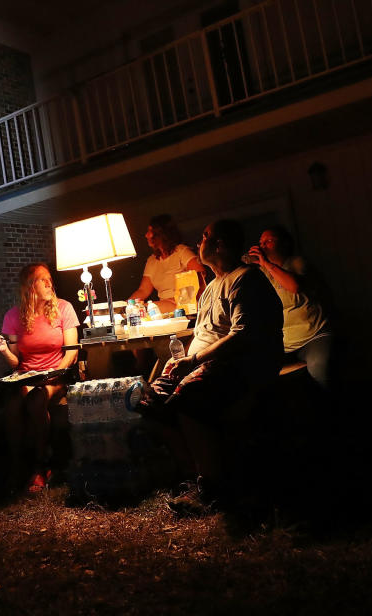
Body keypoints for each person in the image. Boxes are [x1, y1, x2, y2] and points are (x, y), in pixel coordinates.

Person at [138, 220, 283, 508]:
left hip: (240, 365)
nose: (199, 241)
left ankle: (213, 486)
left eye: (205, 237)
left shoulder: (246, 279)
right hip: (203, 363)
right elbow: (204, 334)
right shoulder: (211, 287)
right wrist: (179, 362)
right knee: (149, 403)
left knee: (188, 397)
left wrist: (194, 361)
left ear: (220, 245)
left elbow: (242, 335)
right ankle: (194, 474)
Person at [0, 263, 79, 493]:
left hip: (56, 375)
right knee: (12, 404)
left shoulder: (64, 308)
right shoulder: (13, 316)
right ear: (30, 286)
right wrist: (3, 349)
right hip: (27, 376)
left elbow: (71, 351)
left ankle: (41, 467)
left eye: (50, 279)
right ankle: (17, 466)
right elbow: (15, 362)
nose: (50, 283)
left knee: (37, 399)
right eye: (43, 280)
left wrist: (54, 373)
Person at [246, 226, 334, 389]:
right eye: (260, 243)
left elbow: (294, 286)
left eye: (269, 241)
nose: (262, 246)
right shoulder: (262, 273)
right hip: (285, 344)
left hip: (314, 335)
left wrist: (266, 263)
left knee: (319, 374)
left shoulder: (296, 262)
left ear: (285, 244)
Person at [129, 214, 208, 314]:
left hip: (182, 306)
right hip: (164, 306)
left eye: (150, 231)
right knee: (137, 311)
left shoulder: (181, 251)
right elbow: (143, 290)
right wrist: (126, 305)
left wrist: (181, 297)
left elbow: (200, 273)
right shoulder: (152, 260)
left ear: (160, 233)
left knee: (143, 311)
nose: (146, 235)